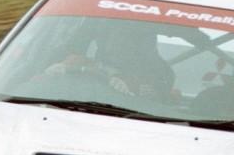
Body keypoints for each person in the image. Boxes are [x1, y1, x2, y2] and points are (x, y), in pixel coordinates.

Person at [44, 22, 176, 101]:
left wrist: (129, 91)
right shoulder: (78, 62)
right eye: (114, 37)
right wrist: (54, 70)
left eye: (127, 39)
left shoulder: (154, 79)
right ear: (103, 41)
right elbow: (35, 85)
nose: (118, 44)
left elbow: (158, 107)